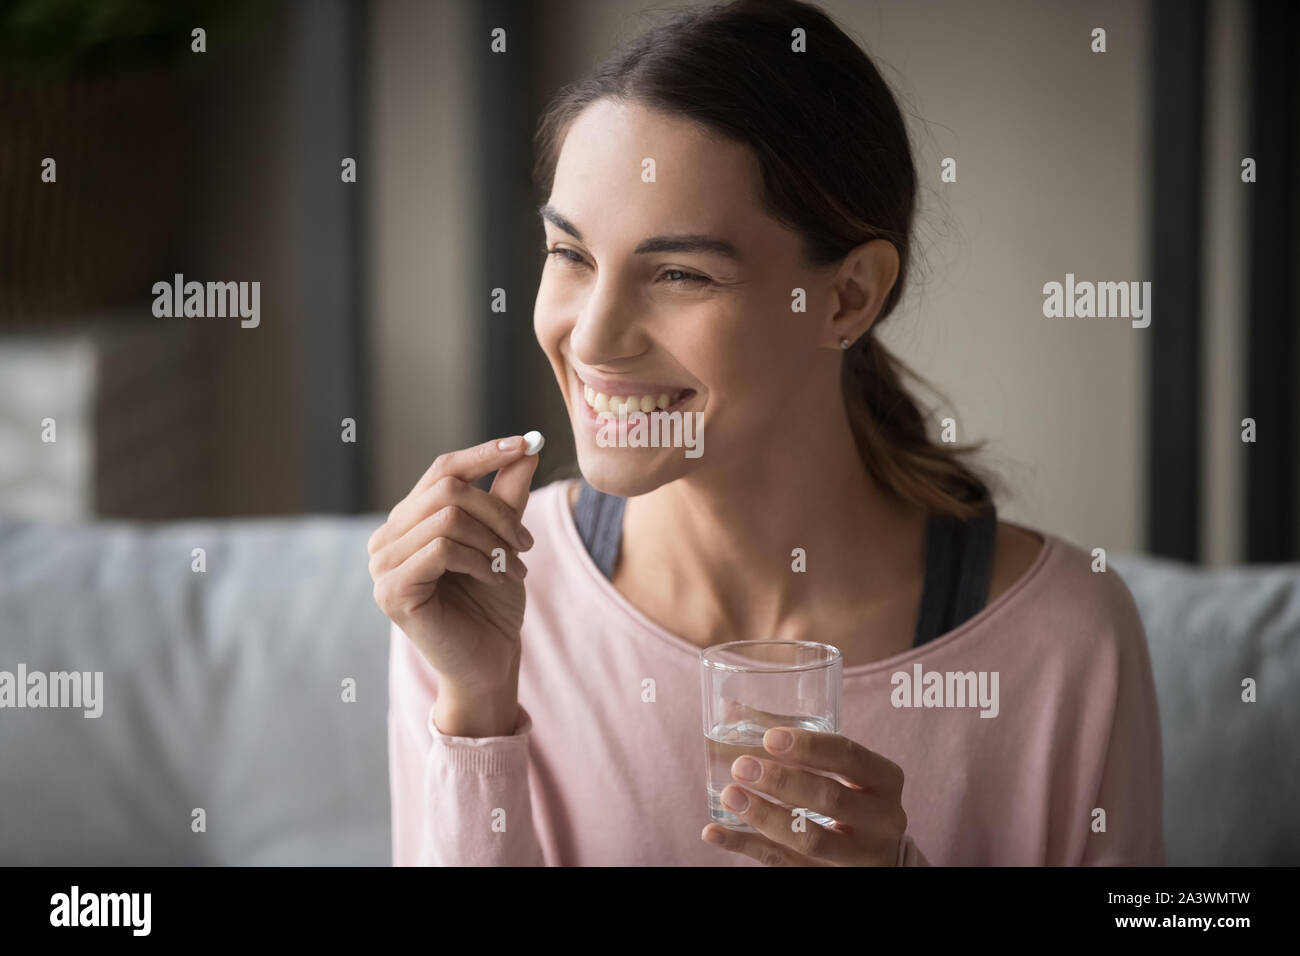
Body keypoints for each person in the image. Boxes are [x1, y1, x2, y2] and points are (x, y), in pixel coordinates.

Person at [369, 0, 1165, 866]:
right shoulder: (480, 600)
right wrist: (477, 706)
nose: (592, 338)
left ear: (848, 296)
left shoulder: (1065, 640)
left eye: (678, 273)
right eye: (571, 255)